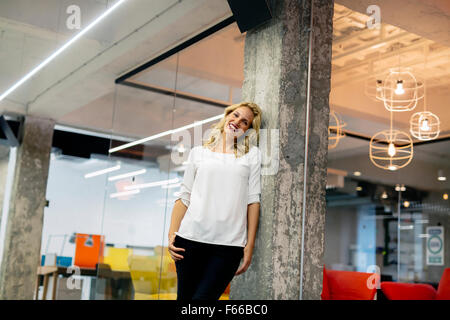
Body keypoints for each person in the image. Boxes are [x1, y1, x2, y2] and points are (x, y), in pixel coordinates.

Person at [167, 101, 263, 300]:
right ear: (227, 115)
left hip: (228, 248)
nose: (237, 122)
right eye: (235, 115)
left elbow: (253, 201)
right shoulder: (198, 153)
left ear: (248, 130)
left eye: (244, 122)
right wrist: (171, 235)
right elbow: (184, 196)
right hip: (189, 240)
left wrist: (250, 245)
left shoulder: (252, 156)